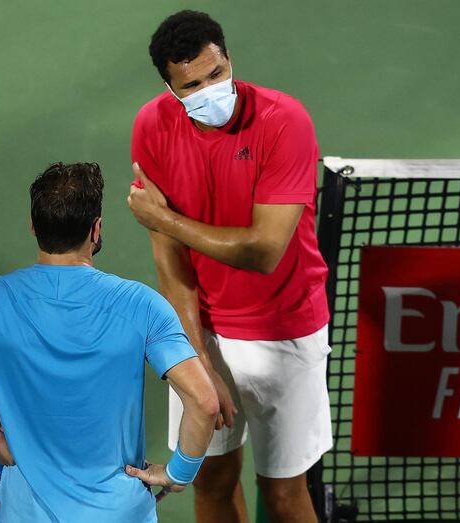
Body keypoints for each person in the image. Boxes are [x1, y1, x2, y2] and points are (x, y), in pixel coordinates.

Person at [0, 162, 219, 522]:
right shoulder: (142, 305)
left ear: (34, 227)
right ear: (95, 229)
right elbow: (204, 401)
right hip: (119, 512)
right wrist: (179, 473)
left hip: (26, 513)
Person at [128, 11, 332, 523]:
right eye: (192, 84)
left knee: (284, 493)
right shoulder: (152, 125)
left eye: (216, 74)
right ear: (171, 89)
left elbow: (265, 251)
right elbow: (168, 263)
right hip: (203, 333)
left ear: (228, 59)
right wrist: (200, 360)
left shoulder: (284, 121)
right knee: (212, 482)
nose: (209, 89)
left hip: (286, 334)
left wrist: (166, 219)